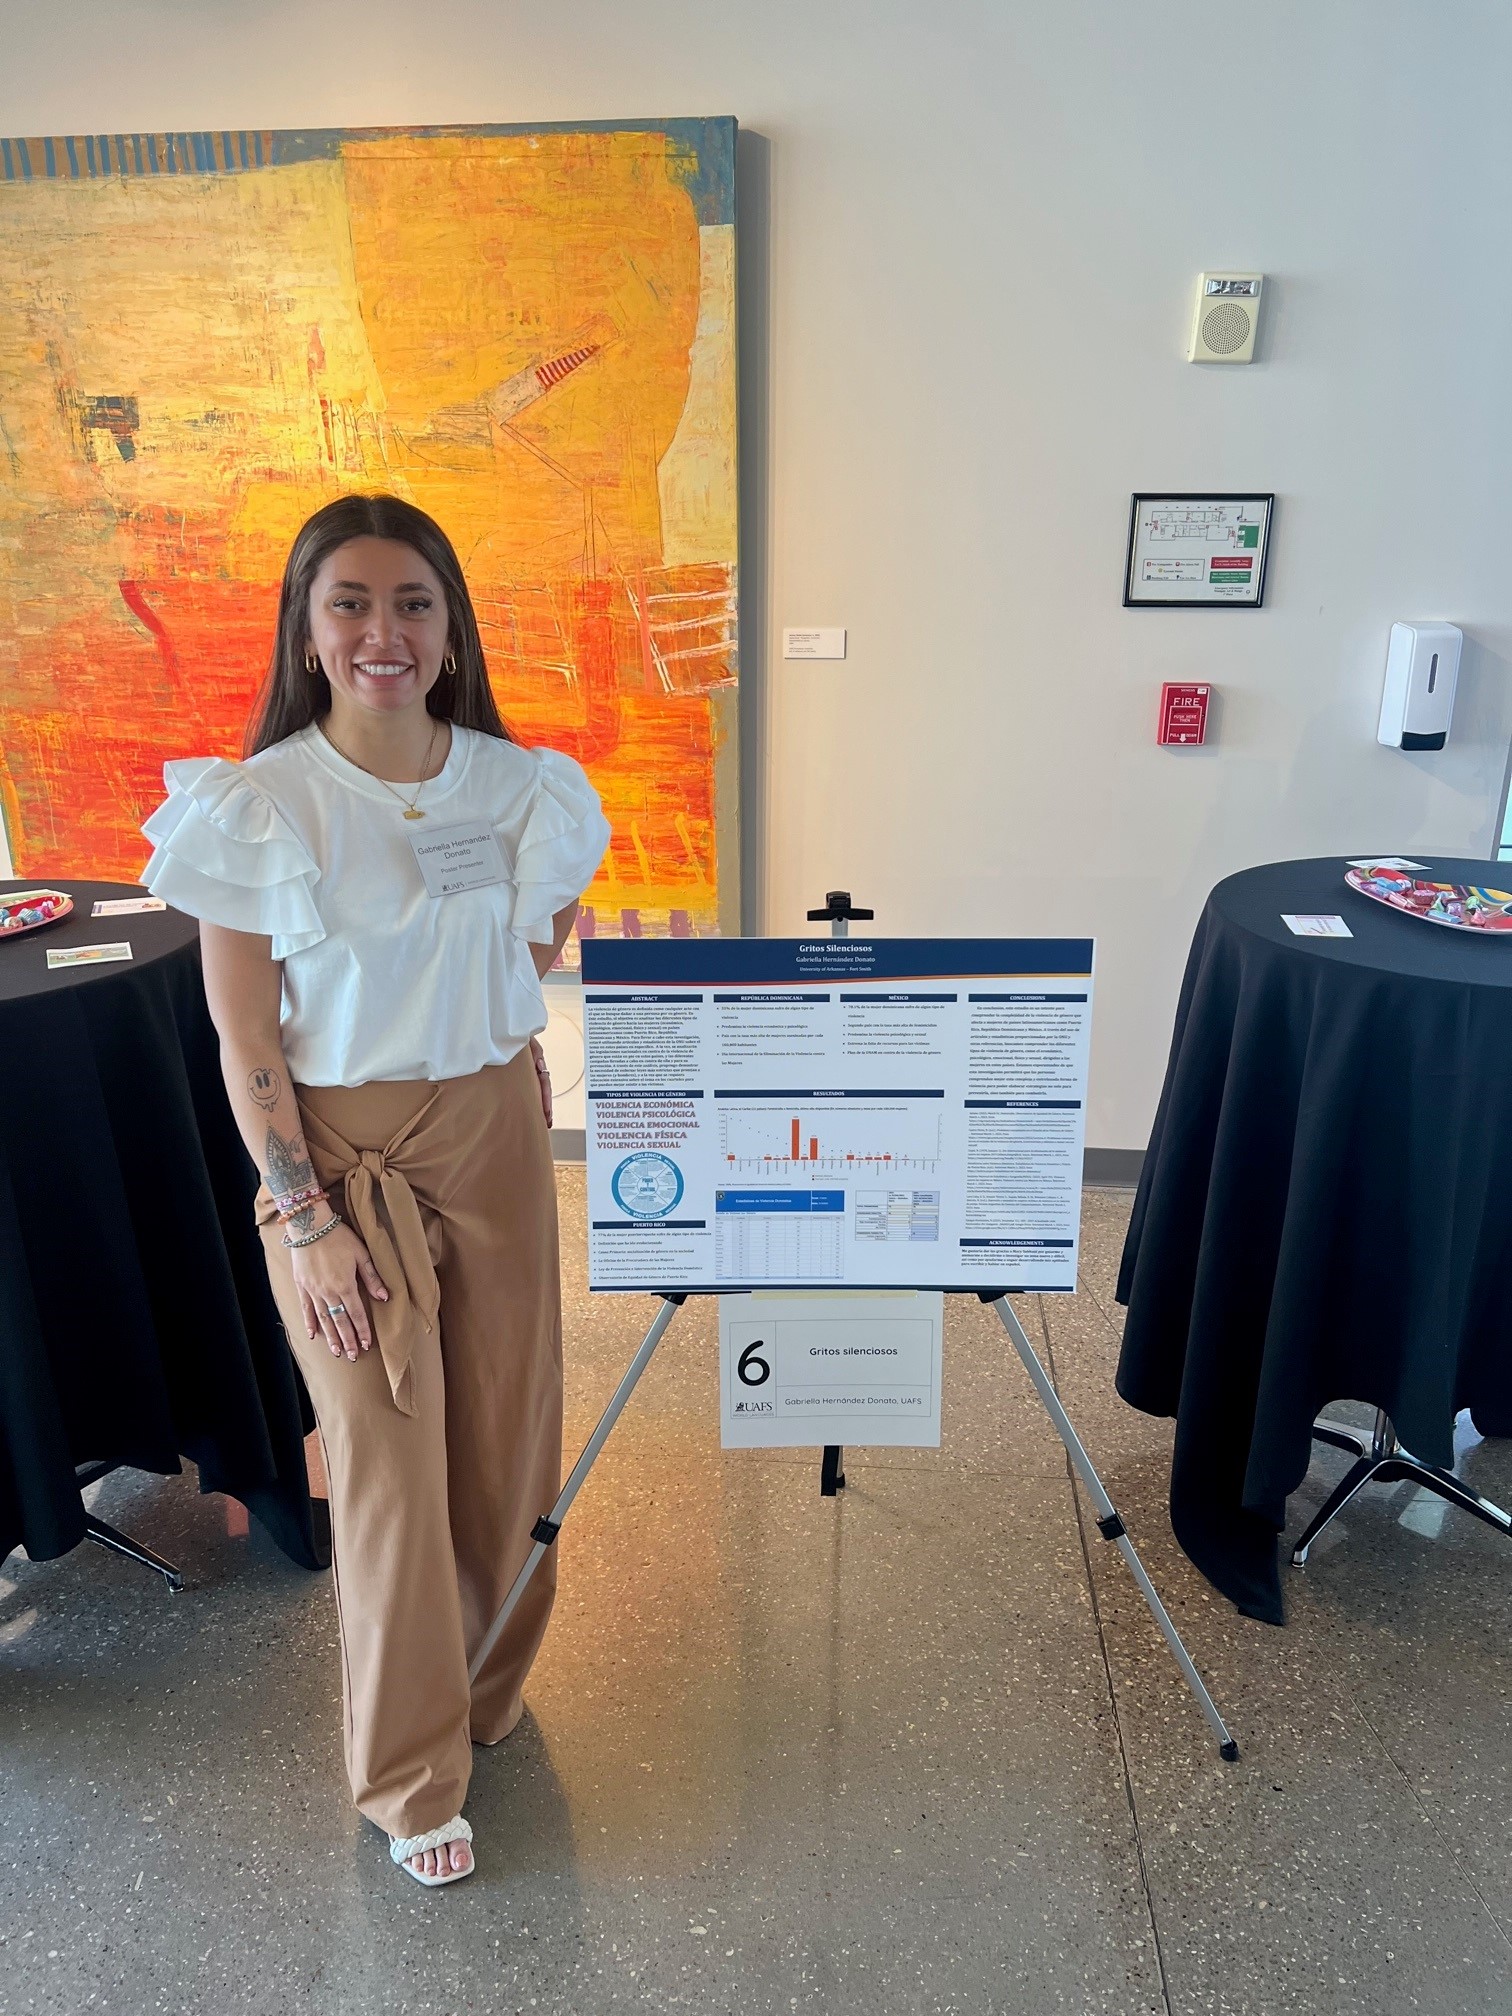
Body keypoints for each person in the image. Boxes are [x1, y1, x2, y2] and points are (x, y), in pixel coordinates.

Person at [141, 493, 610, 1887]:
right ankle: (410, 1776)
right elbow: (243, 1039)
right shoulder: (261, 805)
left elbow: (534, 959)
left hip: (495, 1137)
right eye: (348, 603)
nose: (382, 632)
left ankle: (481, 1685)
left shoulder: (522, 787)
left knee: (511, 1444)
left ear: (452, 628)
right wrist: (306, 1219)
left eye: (412, 602)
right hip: (338, 1161)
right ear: (306, 630)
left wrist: (480, 1061)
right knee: (392, 1467)